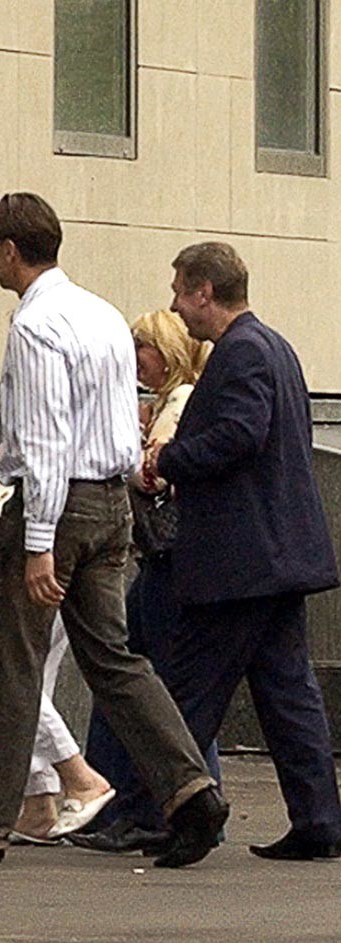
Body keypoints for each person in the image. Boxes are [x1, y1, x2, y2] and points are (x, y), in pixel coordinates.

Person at [0, 192, 225, 868]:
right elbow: (110, 420)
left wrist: (37, 541)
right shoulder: (101, 314)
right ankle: (191, 790)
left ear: (11, 250)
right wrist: (16, 459)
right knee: (115, 661)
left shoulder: (35, 325)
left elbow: (44, 442)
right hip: (109, 502)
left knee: (10, 661)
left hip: (58, 508)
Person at [143, 242, 341, 861]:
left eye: (180, 291)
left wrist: (170, 460)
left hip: (242, 561)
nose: (175, 307)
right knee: (288, 695)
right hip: (276, 557)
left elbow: (239, 434)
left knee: (185, 692)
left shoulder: (243, 352)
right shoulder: (274, 346)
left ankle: (183, 817)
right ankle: (319, 822)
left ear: (206, 291)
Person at [73, 311, 220, 853]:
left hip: (168, 557)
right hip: (167, 558)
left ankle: (149, 805)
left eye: (144, 346)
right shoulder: (172, 401)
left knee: (139, 677)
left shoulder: (179, 402)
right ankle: (155, 802)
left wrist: (130, 446)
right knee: (143, 675)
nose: (136, 357)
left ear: (169, 351)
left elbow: (152, 472)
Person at [0, 469, 114, 843]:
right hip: (80, 524)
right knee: (34, 670)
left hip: (51, 528)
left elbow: (45, 457)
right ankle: (39, 802)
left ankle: (78, 776)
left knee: (5, 670)